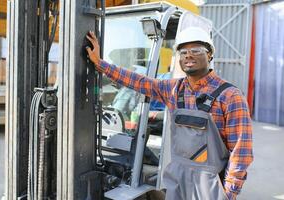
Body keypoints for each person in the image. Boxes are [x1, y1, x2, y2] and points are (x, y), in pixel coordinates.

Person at [86, 27, 253, 200]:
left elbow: (241, 151)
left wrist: (228, 193)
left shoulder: (230, 96)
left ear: (210, 55)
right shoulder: (174, 89)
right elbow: (138, 81)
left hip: (210, 185)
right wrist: (100, 63)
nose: (188, 55)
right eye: (183, 52)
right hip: (177, 180)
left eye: (196, 50)